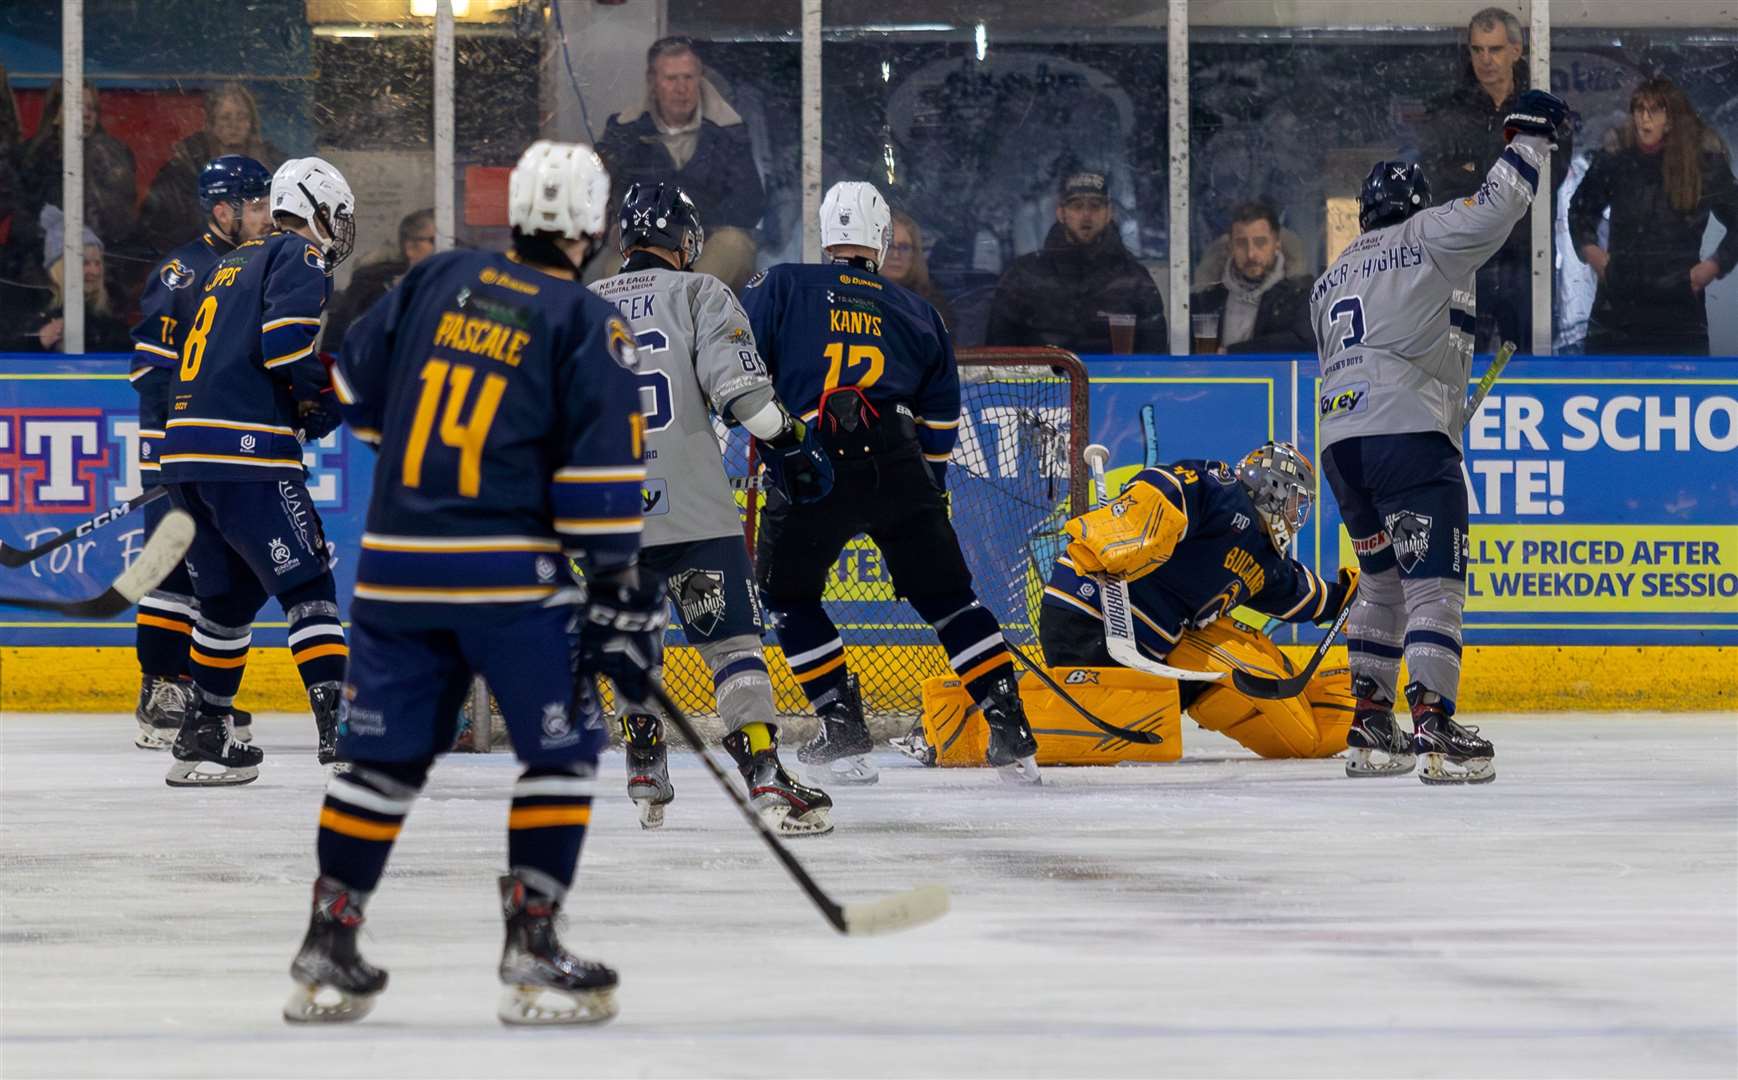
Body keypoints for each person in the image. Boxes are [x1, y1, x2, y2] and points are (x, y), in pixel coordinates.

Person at [286, 141, 656, 1027]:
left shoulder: (435, 276)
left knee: (381, 761)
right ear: (595, 226)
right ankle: (532, 943)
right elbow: (600, 485)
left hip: (394, 566)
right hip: (506, 577)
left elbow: (347, 386)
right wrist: (614, 590)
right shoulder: (583, 318)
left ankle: (328, 945)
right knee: (562, 749)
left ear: (516, 214)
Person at [742, 180, 1042, 784]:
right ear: (880, 241)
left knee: (788, 598)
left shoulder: (783, 285)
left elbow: (742, 367)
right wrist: (926, 487)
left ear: (826, 234)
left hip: (810, 459)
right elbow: (942, 419)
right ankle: (1010, 725)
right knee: (952, 601)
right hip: (898, 463)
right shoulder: (918, 310)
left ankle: (843, 727)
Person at [1311, 88, 1569, 785]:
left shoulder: (1329, 278)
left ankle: (1369, 724)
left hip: (1343, 445)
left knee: (1382, 581)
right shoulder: (1424, 238)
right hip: (1408, 438)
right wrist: (1529, 141)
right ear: (1417, 205)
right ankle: (1432, 727)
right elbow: (1497, 207)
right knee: (1435, 586)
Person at [590, 182, 835, 835]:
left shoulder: (578, 308)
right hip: (692, 510)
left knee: (633, 639)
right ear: (686, 241)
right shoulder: (701, 293)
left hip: (607, 513)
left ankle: (644, 758)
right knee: (731, 646)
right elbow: (744, 399)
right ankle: (761, 770)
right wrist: (794, 442)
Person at [155, 156, 357, 786]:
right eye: (337, 215)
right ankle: (342, 732)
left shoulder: (226, 265)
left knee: (227, 599)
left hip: (187, 454)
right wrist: (317, 401)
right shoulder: (299, 255)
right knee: (308, 581)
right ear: (316, 210)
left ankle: (204, 732)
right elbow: (284, 343)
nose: (338, 229)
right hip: (246, 456)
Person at [1035, 444, 1356, 759]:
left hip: (1143, 655)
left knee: (1248, 673)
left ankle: (1339, 712)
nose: (1295, 516)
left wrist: (1352, 599)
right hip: (1087, 614)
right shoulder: (1225, 493)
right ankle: (1018, 717)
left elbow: (1299, 592)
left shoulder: (1265, 561)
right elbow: (1168, 486)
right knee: (1120, 730)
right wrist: (1127, 527)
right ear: (1273, 488)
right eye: (1295, 503)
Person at [126, 155, 273, 751]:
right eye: (258, 206)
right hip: (176, 440)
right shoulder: (182, 273)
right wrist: (171, 442)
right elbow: (150, 370)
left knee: (216, 566)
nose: (267, 216)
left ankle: (197, 692)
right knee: (172, 561)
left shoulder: (255, 267)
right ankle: (161, 688)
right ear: (223, 211)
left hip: (221, 443)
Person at [1416, 7, 1571, 353]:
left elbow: (1547, 180)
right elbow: (1439, 181)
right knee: (1457, 361)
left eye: (1495, 49)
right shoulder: (1449, 111)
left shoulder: (1540, 109)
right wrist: (1501, 184)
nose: (1485, 59)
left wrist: (1477, 175)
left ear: (1516, 51)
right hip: (1467, 260)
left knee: (1533, 359)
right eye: (1477, 49)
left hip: (1528, 257)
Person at [1569, 76, 1738, 356]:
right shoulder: (1616, 157)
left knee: (1680, 394)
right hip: (1618, 308)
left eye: (1653, 111)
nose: (1644, 119)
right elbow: (1580, 210)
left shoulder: (1702, 162)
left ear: (1671, 118)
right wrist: (1594, 255)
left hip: (1679, 311)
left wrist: (1713, 267)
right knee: (1606, 390)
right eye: (1639, 110)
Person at [594, 36, 765, 291]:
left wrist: (689, 229)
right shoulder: (624, 131)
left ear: (700, 78)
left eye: (688, 77)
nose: (681, 88)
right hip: (642, 243)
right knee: (614, 273)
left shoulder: (729, 130)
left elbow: (751, 203)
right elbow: (603, 193)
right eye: (671, 79)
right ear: (653, 82)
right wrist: (628, 229)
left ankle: (682, 310)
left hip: (708, 245)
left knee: (735, 244)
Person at [985, 167, 1166, 355]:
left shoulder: (1134, 280)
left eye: (1095, 206)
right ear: (1061, 213)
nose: (1086, 215)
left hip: (1118, 382)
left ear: (1108, 213)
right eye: (1077, 206)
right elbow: (998, 355)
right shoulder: (1025, 276)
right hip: (1042, 383)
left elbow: (1154, 358)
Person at [137, 84, 284, 261]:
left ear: (251, 123)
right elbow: (158, 222)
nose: (233, 125)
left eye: (241, 117)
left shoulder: (274, 166)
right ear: (211, 123)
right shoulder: (185, 168)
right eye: (225, 118)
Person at [16, 82, 137, 260]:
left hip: (100, 263)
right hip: (39, 263)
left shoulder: (111, 157)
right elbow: (20, 224)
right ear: (56, 113)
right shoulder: (30, 157)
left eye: (92, 108)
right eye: (78, 106)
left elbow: (119, 223)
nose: (87, 114)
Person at [1189, 201, 1315, 354]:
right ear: (1230, 247)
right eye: (1241, 243)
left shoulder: (1300, 295)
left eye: (1260, 242)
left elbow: (1304, 341)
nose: (1251, 254)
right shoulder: (1206, 300)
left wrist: (1231, 352)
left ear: (1277, 244)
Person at [320, 208, 436, 354]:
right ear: (410, 247)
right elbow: (335, 350)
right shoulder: (373, 291)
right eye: (435, 240)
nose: (447, 247)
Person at [25, 205, 131, 353]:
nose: (94, 271)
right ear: (60, 268)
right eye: (84, 263)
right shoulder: (33, 307)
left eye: (97, 263)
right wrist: (38, 342)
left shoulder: (112, 310)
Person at [882, 210, 956, 329]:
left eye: (904, 247)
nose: (896, 255)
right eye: (889, 246)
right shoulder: (856, 296)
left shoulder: (930, 307)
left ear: (914, 253)